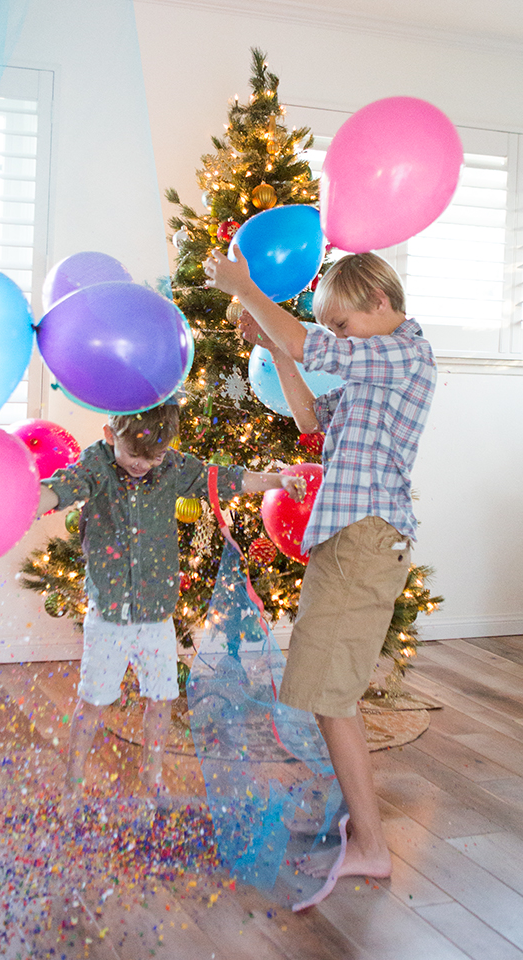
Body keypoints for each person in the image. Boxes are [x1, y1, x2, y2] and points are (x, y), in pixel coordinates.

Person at [203, 247, 436, 880]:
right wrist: (277, 349)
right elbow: (311, 419)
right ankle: (355, 821)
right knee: (320, 686)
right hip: (347, 539)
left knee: (332, 696)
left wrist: (247, 289)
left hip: (364, 539)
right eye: (331, 327)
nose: (337, 337)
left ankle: (372, 845)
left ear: (380, 304)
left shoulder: (403, 353)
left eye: (343, 324)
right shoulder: (373, 371)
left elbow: (315, 348)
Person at [37, 400, 306, 817]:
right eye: (134, 455)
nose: (144, 465)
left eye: (156, 456)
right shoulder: (96, 464)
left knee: (161, 698)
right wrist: (36, 499)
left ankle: (152, 779)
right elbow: (63, 487)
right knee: (93, 701)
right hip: (109, 615)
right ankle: (72, 787)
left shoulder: (172, 468)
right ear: (111, 437)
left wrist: (277, 480)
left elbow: (225, 479)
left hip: (156, 614)